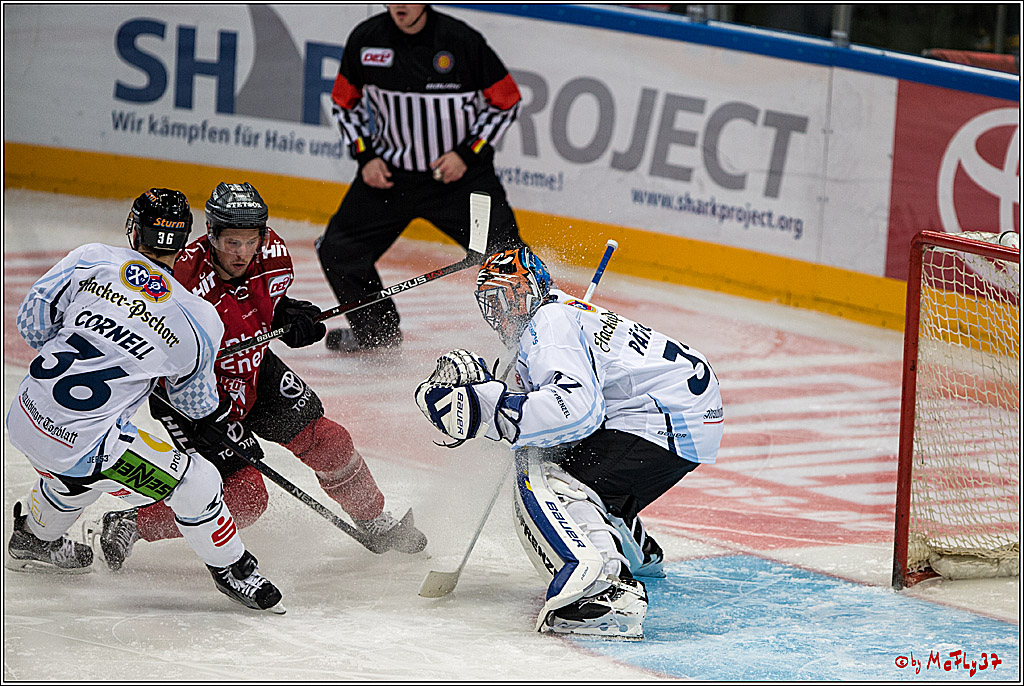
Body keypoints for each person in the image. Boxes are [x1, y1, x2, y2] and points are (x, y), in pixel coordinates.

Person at [97, 182, 427, 572]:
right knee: (246, 496)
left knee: (330, 442)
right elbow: (150, 344)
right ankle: (131, 523)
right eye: (230, 242)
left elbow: (263, 302)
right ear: (211, 235)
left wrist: (288, 314)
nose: (240, 253)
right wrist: (184, 408)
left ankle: (373, 520)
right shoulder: (179, 275)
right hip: (193, 393)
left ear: (263, 236)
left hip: (254, 372)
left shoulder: (272, 256)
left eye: (249, 241)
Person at [415, 247, 724, 639]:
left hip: (665, 418)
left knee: (550, 475)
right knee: (560, 456)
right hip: (681, 413)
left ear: (527, 290)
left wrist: (486, 409)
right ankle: (632, 547)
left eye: (503, 298)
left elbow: (575, 412)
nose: (496, 314)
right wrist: (492, 400)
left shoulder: (549, 324)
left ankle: (604, 590)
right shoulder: (556, 314)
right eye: (488, 303)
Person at [5, 188, 284, 613]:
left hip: (24, 414)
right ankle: (234, 569)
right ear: (189, 239)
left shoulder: (92, 258)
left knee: (80, 474)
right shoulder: (197, 317)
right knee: (198, 481)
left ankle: (33, 538)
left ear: (133, 230)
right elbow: (193, 403)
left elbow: (31, 325)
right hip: (86, 443)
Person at [317, 3, 525, 353]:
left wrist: (467, 153)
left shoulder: (461, 41)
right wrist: (365, 155)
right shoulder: (366, 41)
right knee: (339, 251)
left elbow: (507, 101)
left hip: (459, 180)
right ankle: (376, 334)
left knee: (508, 259)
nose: (399, 5)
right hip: (389, 179)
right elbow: (343, 103)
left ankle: (536, 341)